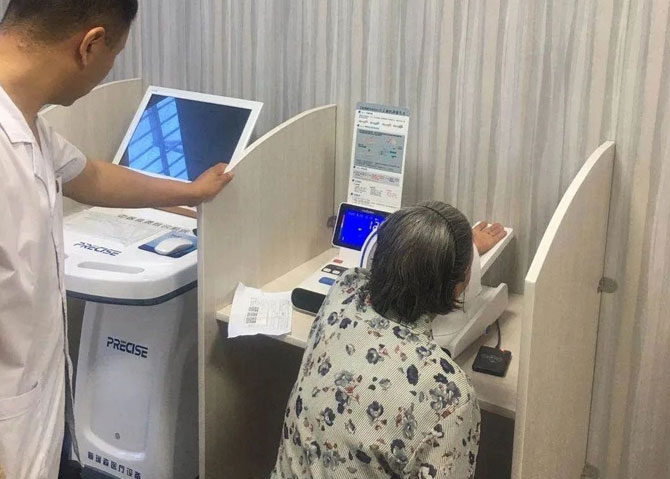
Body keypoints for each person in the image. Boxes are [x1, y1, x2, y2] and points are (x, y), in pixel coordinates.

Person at [0, 1, 233, 478]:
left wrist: (193, 191)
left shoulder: (26, 120)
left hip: (37, 415)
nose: (109, 69)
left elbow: (94, 178)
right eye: (115, 54)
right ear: (90, 44)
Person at [270, 201, 506, 479]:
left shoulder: (344, 290)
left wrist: (457, 245)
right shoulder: (450, 396)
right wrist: (463, 255)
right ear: (458, 285)